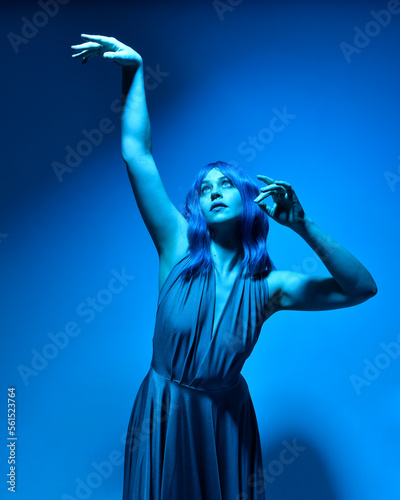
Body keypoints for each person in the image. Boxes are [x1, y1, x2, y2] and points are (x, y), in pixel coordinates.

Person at [71, 34, 378, 500]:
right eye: (205, 187)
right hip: (162, 412)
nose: (214, 190)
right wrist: (134, 71)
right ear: (197, 206)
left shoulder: (269, 287)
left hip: (226, 426)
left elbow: (361, 288)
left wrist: (304, 225)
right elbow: (138, 155)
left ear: (249, 200)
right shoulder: (175, 246)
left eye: (226, 184)